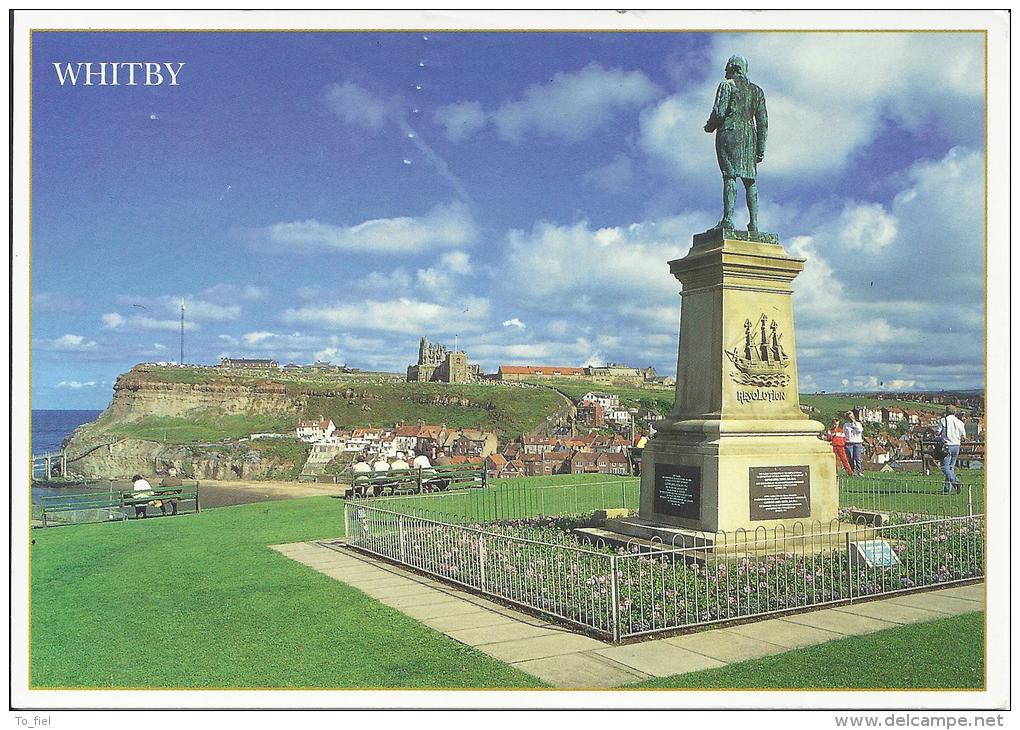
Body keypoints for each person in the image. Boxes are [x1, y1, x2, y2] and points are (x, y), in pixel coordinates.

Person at [704, 55, 768, 232]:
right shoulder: (757, 91)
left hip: (729, 132)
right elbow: (763, 123)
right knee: (750, 180)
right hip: (749, 137)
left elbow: (719, 112)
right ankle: (754, 223)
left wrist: (709, 126)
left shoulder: (727, 85)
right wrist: (760, 149)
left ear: (733, 68)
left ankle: (728, 219)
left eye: (727, 68)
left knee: (730, 176)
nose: (725, 72)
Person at [935, 405, 967, 494]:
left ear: (946, 411)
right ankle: (947, 489)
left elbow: (937, 432)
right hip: (957, 446)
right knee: (951, 467)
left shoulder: (943, 420)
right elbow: (964, 437)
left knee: (944, 467)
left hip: (947, 446)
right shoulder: (960, 422)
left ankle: (955, 482)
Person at [842, 410, 864, 477]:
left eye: (851, 416)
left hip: (857, 443)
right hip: (849, 443)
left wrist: (854, 423)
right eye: (849, 417)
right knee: (850, 458)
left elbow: (860, 431)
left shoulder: (858, 424)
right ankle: (852, 471)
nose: (850, 418)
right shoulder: (846, 425)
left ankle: (859, 472)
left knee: (858, 458)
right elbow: (844, 434)